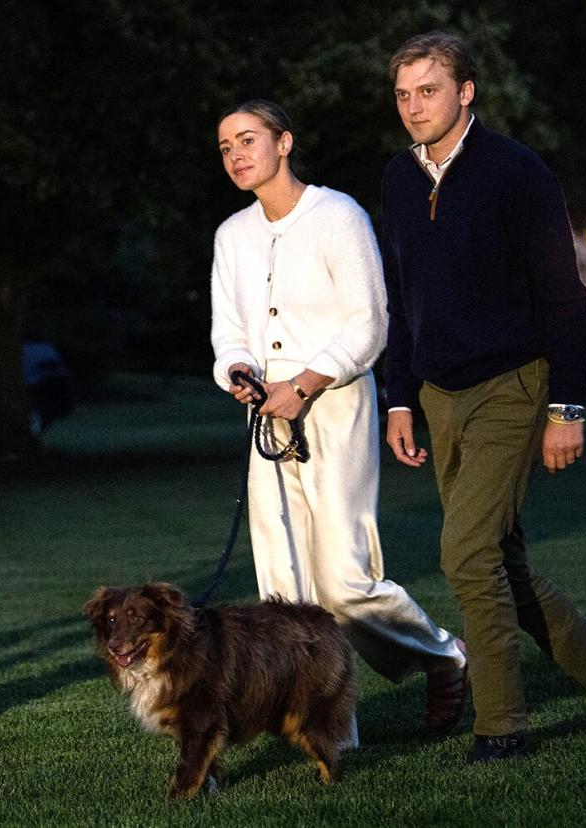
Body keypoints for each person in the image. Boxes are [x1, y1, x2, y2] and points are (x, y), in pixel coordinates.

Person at [380, 31, 586, 761]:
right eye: (403, 94)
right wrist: (399, 398)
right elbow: (400, 302)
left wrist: (567, 405)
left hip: (513, 384)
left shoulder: (517, 173)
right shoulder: (398, 181)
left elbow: (564, 298)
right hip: (437, 393)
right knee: (502, 563)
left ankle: (503, 728)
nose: (413, 107)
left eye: (428, 91)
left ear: (466, 92)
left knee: (466, 554)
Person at [209, 99, 468, 745]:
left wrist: (304, 383)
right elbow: (228, 332)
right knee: (283, 585)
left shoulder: (337, 216)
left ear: (284, 142)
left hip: (334, 404)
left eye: (248, 139)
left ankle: (442, 654)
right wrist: (240, 372)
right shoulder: (231, 235)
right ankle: (329, 731)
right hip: (267, 417)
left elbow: (369, 324)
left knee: (345, 583)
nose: (236, 153)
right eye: (224, 146)